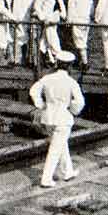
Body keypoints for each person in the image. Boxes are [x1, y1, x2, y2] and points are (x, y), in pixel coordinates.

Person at [31, 51, 86, 187]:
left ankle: (67, 171)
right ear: (69, 66)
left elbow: (33, 91)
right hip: (63, 117)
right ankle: (46, 178)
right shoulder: (71, 82)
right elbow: (80, 102)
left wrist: (41, 104)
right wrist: (72, 110)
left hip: (48, 116)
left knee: (61, 145)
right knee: (55, 149)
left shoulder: (47, 78)